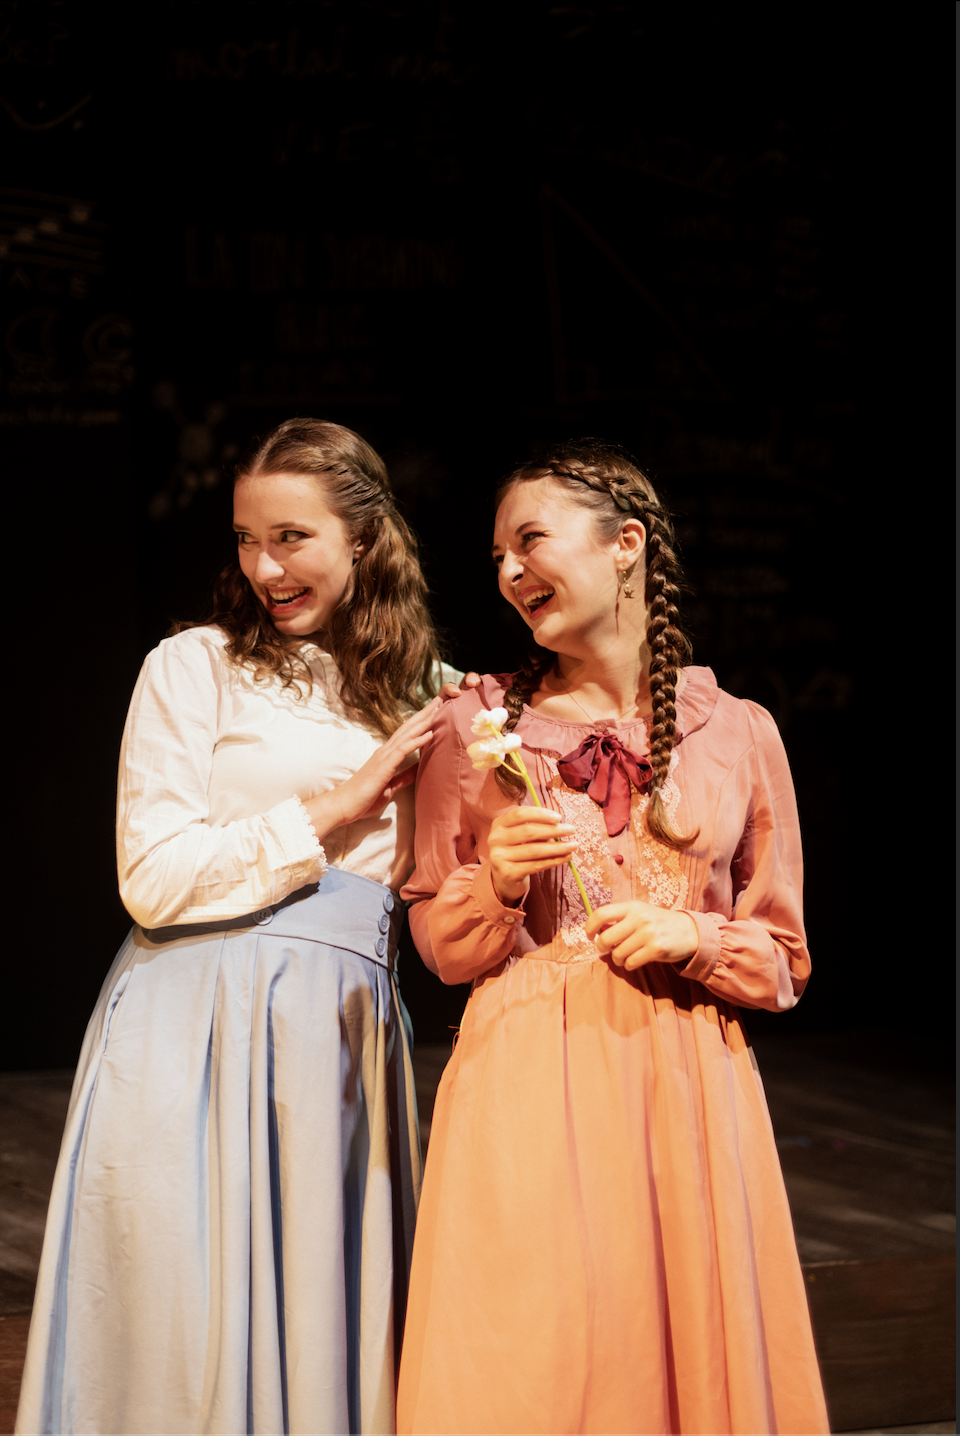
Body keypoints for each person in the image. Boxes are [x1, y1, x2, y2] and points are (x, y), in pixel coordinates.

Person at [17, 418, 457, 1436]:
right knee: (183, 1328)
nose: (265, 567)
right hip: (193, 1022)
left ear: (363, 537)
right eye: (248, 540)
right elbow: (151, 879)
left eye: (292, 537)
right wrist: (340, 805)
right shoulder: (195, 666)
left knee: (321, 1318)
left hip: (341, 1036)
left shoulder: (435, 697)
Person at [396, 441, 829, 1435]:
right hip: (527, 1084)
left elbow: (783, 959)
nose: (510, 571)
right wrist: (499, 879)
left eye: (531, 541)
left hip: (685, 1088)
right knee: (538, 1362)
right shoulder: (475, 726)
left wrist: (694, 935)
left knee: (678, 1353)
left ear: (626, 543)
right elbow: (438, 940)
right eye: (498, 556)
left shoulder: (738, 731)